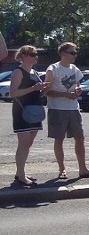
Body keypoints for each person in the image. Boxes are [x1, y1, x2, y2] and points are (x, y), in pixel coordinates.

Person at [44, 42, 89, 180]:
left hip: (73, 108)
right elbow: (46, 91)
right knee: (59, 139)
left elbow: (78, 86)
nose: (75, 55)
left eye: (75, 52)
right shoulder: (53, 69)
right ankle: (62, 169)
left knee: (80, 138)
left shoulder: (74, 69)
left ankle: (83, 169)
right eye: (72, 52)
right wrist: (64, 95)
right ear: (63, 54)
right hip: (57, 109)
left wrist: (77, 91)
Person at [9, 45, 47, 187]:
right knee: (24, 143)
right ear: (23, 56)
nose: (35, 56)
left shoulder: (35, 72)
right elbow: (13, 93)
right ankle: (21, 175)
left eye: (36, 54)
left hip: (35, 110)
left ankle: (21, 171)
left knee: (28, 143)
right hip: (22, 110)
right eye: (32, 54)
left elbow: (36, 93)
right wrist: (33, 88)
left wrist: (43, 89)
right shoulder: (18, 72)